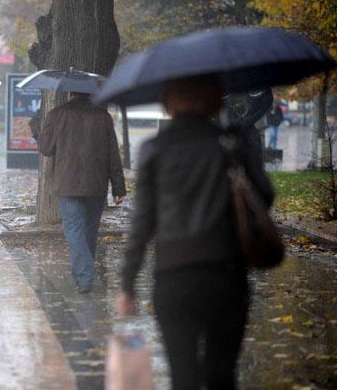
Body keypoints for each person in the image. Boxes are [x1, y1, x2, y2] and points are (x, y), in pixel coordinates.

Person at [116, 76, 274, 389]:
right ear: (217, 98)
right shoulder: (231, 142)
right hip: (226, 276)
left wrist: (127, 284)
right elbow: (265, 196)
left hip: (174, 278)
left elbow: (142, 224)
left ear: (169, 100)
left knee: (183, 377)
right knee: (222, 375)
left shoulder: (155, 148)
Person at [38, 92, 126, 294]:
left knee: (74, 229)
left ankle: (85, 276)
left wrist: (40, 128)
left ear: (70, 93)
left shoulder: (57, 114)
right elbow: (114, 154)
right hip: (96, 184)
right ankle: (83, 276)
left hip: (67, 184)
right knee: (89, 231)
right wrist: (118, 188)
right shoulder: (102, 116)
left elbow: (46, 148)